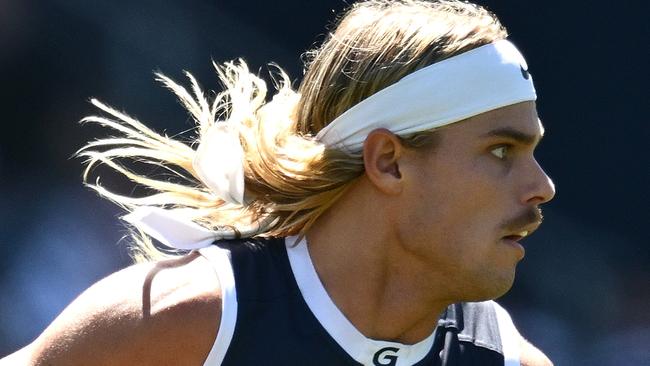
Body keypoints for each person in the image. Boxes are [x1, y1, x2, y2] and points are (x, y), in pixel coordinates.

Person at [1, 0, 556, 365]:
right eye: (501, 150)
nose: (541, 187)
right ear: (388, 161)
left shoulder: (506, 358)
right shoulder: (187, 323)